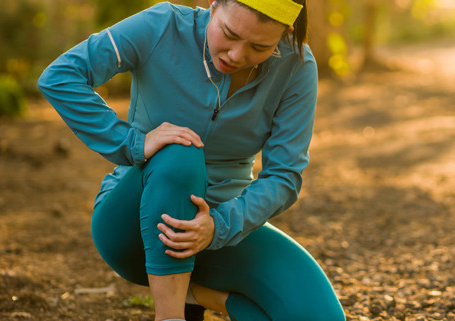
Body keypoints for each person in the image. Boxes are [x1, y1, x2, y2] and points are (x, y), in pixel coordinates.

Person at [37, 0, 345, 320]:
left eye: (259, 46)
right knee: (180, 149)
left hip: (219, 228)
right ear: (213, 4)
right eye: (229, 33)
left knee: (318, 315)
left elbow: (284, 175)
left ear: (285, 32)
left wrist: (218, 226)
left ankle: (202, 295)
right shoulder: (162, 26)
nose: (237, 55)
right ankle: (171, 315)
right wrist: (133, 142)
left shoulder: (296, 65)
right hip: (135, 227)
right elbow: (61, 76)